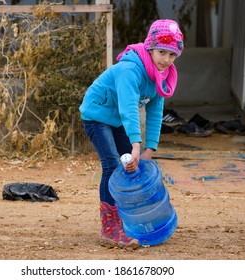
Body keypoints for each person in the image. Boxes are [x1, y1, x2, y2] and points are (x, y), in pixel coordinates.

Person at [79, 19, 184, 249]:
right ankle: (109, 229)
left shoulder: (161, 74)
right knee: (112, 165)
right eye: (161, 52)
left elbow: (156, 111)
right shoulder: (131, 69)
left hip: (116, 119)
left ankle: (126, 220)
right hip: (97, 114)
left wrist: (148, 149)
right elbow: (128, 107)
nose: (166, 60)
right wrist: (135, 144)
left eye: (172, 55)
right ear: (150, 47)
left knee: (132, 167)